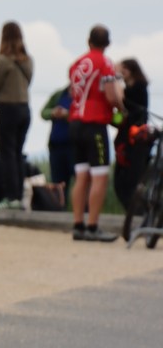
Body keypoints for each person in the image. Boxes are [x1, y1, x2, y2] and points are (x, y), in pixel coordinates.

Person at [68, 25, 124, 242]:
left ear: (88, 41)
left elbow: (73, 91)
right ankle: (92, 226)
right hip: (95, 123)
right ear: (107, 43)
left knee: (81, 175)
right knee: (100, 175)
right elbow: (111, 94)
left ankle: (78, 224)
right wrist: (121, 108)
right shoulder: (105, 63)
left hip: (75, 122)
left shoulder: (77, 64)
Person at [0, 21, 34, 209]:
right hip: (25, 110)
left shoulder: (3, 60)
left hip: (8, 111)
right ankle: (19, 196)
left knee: (7, 154)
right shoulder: (28, 61)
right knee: (18, 154)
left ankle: (11, 198)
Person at [113, 58, 150, 211]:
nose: (121, 73)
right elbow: (121, 109)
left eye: (124, 69)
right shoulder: (129, 88)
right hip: (126, 138)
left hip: (136, 140)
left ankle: (139, 212)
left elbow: (122, 99)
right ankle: (134, 212)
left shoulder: (139, 87)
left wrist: (115, 77)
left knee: (131, 181)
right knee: (120, 183)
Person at [40, 84, 75, 197]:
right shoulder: (59, 95)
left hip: (74, 146)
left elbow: (83, 115)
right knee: (58, 184)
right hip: (56, 146)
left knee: (79, 181)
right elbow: (43, 113)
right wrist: (53, 112)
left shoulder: (83, 96)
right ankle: (59, 206)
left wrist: (67, 114)